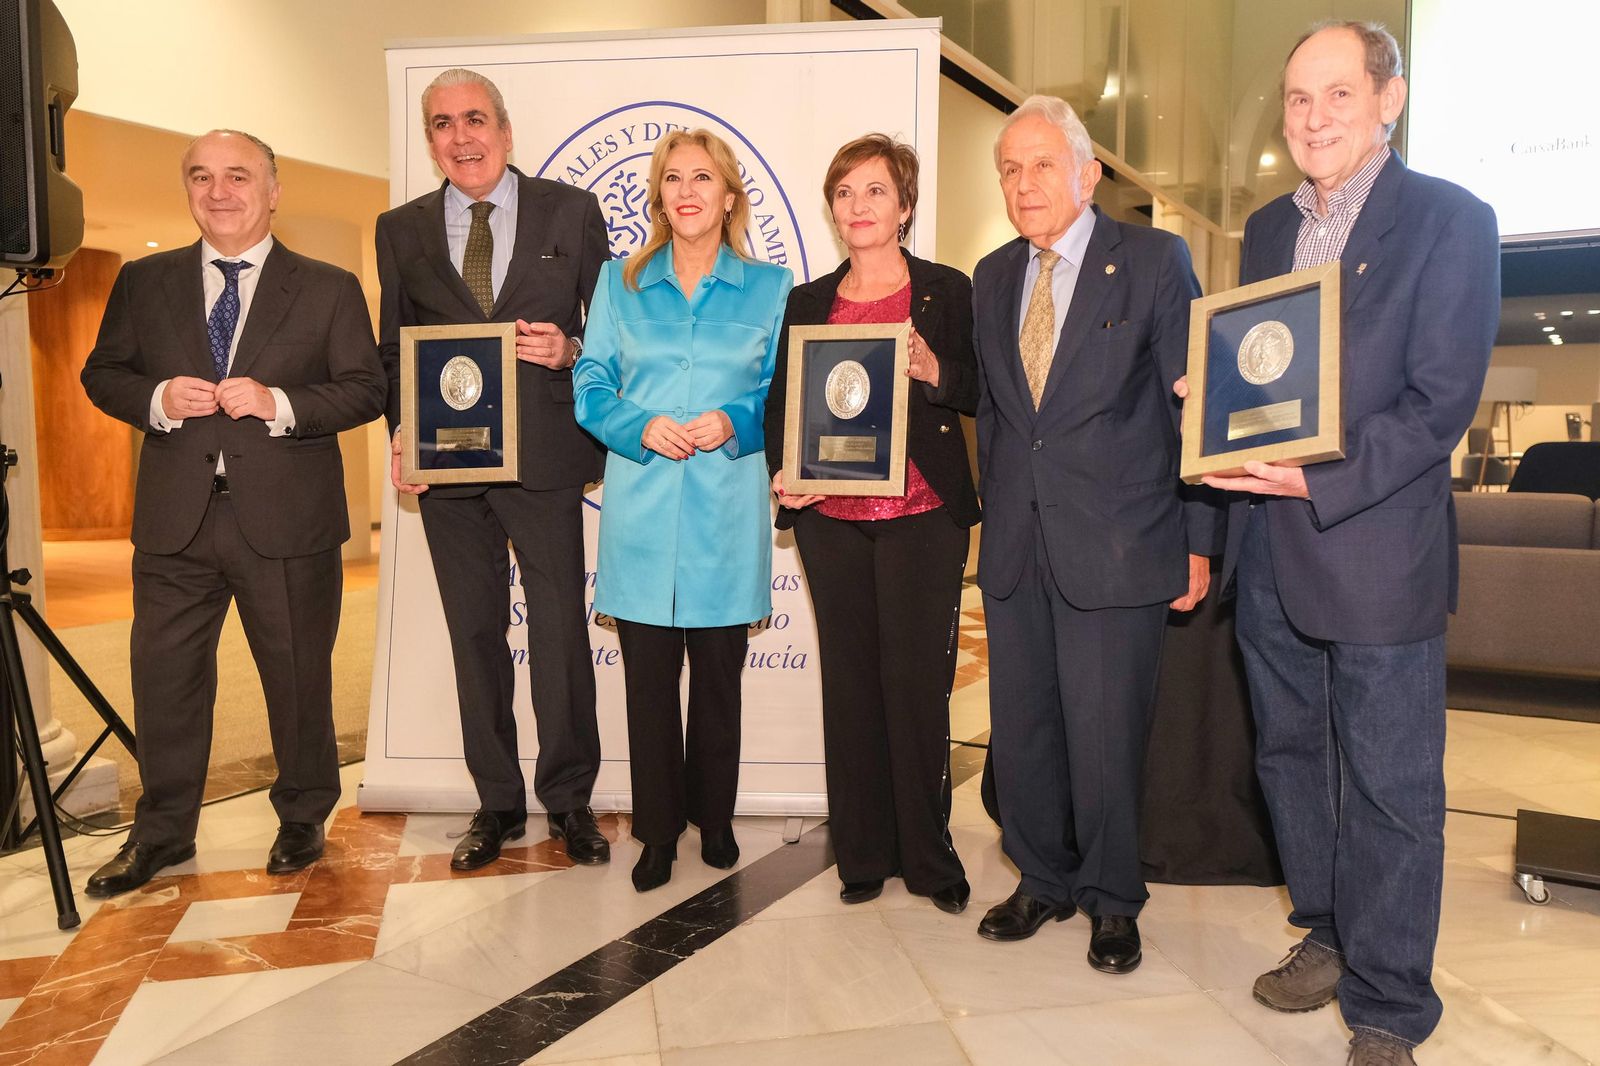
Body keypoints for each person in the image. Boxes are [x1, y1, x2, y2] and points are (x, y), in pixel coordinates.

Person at [1195, 22, 1498, 1065]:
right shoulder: (1268, 232)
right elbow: (1266, 374)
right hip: (1267, 545)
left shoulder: (1451, 221)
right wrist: (1216, 405)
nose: (1311, 118)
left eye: (1334, 94)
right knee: (1289, 757)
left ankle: (1390, 1004)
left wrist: (1313, 473)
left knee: (1389, 783)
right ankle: (1329, 929)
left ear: (1388, 99)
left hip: (1374, 551)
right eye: (1295, 99)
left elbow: (1437, 404)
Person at [80, 130, 385, 897]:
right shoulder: (142, 280)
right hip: (174, 522)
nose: (219, 191)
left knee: (295, 676)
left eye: (238, 176)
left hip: (287, 522)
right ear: (186, 188)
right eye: (201, 176)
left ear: (273, 190)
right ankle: (161, 832)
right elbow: (103, 373)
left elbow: (365, 388)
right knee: (165, 679)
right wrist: (154, 400)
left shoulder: (328, 286)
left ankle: (303, 815)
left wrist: (279, 402)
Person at [970, 95, 1214, 973]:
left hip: (1120, 542)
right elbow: (1001, 421)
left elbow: (1195, 409)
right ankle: (1041, 877)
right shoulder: (993, 276)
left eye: (1040, 165)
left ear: (1087, 174)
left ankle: (1113, 898)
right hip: (1016, 545)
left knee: (1107, 728)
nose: (1023, 183)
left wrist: (1200, 536)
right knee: (1025, 725)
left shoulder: (1152, 261)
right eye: (1008, 168)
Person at [377, 68, 611, 870]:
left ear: (505, 132)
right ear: (430, 138)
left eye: (475, 119)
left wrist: (571, 348)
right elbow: (392, 349)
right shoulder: (399, 229)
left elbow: (609, 334)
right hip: (450, 469)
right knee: (474, 634)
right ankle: (497, 804)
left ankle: (571, 802)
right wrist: (403, 430)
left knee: (556, 635)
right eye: (442, 123)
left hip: (545, 458)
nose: (461, 136)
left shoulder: (571, 212)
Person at [763, 135, 977, 913]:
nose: (859, 205)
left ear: (906, 206)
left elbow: (984, 391)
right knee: (850, 686)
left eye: (875, 191)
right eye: (845, 192)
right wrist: (783, 476)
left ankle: (929, 856)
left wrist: (935, 372)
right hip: (832, 520)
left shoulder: (948, 291)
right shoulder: (807, 301)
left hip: (923, 515)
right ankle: (862, 853)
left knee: (915, 688)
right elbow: (782, 407)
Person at [574, 129, 792, 893]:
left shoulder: (772, 287)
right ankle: (659, 832)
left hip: (727, 517)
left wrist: (738, 420)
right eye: (673, 178)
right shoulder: (618, 282)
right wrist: (638, 425)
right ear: (659, 196)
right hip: (640, 516)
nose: (688, 189)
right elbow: (590, 382)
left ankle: (717, 818)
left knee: (720, 685)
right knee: (648, 686)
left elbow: (783, 396)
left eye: (704, 177)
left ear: (730, 195)